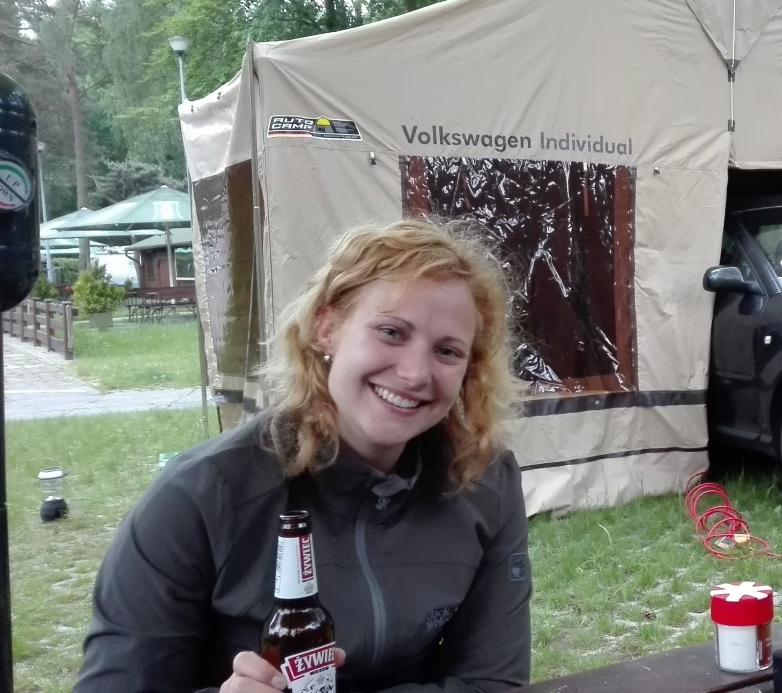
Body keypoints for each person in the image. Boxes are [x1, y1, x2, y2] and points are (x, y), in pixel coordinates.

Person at [74, 216, 533, 692]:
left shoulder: (484, 482)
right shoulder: (201, 496)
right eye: (391, 332)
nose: (416, 373)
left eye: (448, 351)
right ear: (326, 328)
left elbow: (494, 683)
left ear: (470, 371)